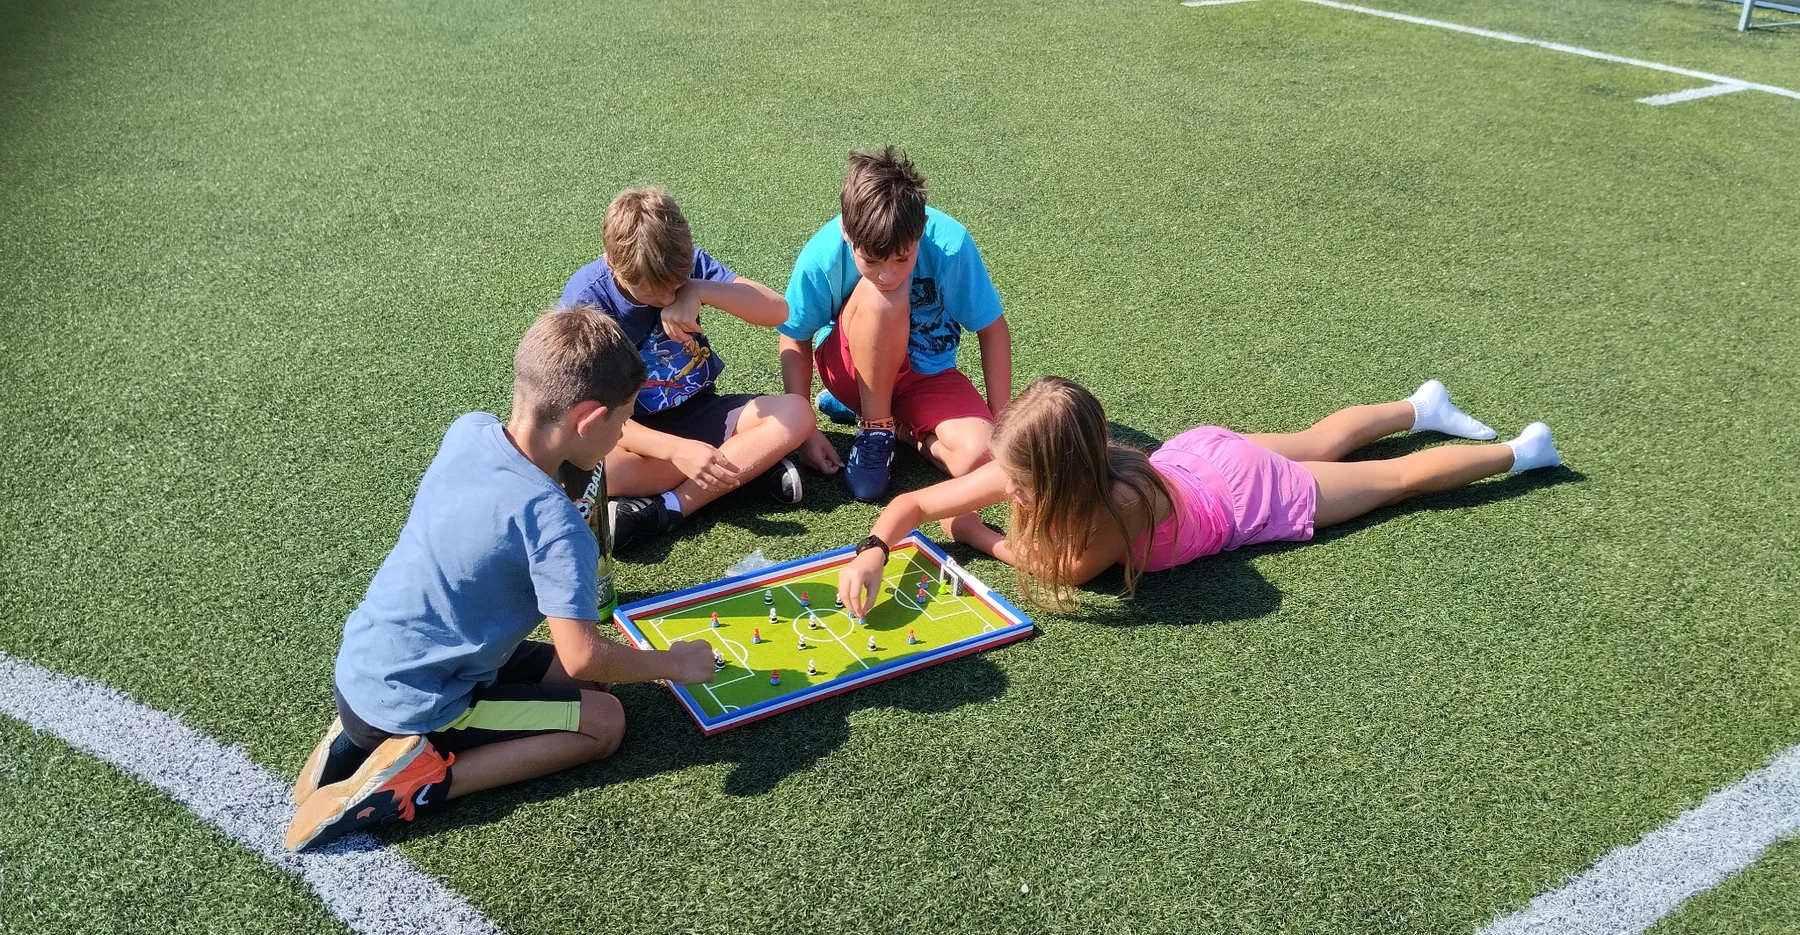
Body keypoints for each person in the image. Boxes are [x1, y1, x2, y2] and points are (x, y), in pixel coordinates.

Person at [285, 305, 717, 852]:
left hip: (366, 666)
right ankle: (420, 781)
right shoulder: (558, 529)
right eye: (623, 420)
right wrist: (673, 663)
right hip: (425, 696)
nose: (621, 436)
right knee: (604, 718)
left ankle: (357, 742)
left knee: (588, 683)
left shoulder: (470, 430)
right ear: (588, 421)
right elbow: (584, 654)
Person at [837, 377, 1560, 613]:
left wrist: (976, 536)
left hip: (1251, 496)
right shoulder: (1047, 466)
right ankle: (1418, 405)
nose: (1008, 490)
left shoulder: (1109, 518)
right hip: (1200, 453)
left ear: (1055, 478)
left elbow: (1051, 567)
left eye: (1018, 484)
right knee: (1318, 435)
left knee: (1393, 483)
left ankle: (1521, 452)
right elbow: (913, 508)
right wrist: (874, 547)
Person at [561, 187, 819, 551]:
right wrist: (676, 450)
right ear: (611, 263)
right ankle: (744, 469)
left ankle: (668, 508)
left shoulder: (688, 268)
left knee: (797, 413)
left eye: (676, 286)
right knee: (592, 472)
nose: (668, 299)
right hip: (629, 434)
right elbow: (593, 416)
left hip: (700, 412)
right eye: (653, 293)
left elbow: (777, 310)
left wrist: (698, 289)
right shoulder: (587, 299)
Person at [777, 147, 1012, 502]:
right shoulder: (821, 255)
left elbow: (992, 330)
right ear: (846, 231)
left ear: (921, 230)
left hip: (927, 374)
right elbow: (794, 338)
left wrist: (1004, 425)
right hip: (851, 368)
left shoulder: (950, 245)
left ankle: (899, 428)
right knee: (883, 297)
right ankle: (874, 428)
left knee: (981, 457)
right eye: (872, 260)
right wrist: (802, 428)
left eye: (903, 258)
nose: (888, 273)